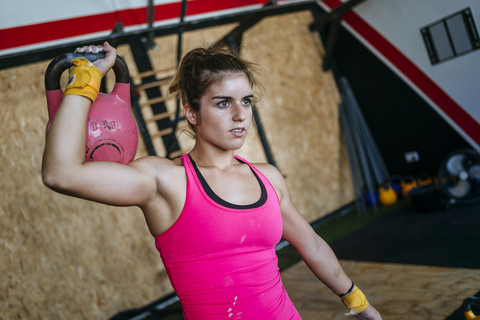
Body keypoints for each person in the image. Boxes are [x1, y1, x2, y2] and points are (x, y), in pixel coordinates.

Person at [42, 41, 382, 320]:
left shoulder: (268, 178)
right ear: (192, 111)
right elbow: (61, 173)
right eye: (223, 103)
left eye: (246, 101)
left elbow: (313, 245)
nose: (240, 115)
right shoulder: (165, 182)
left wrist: (359, 303)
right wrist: (85, 81)